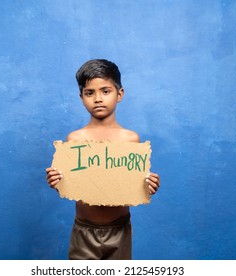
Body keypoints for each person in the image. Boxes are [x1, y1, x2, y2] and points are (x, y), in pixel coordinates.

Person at [45, 59, 160, 260]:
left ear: (120, 94)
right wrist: (57, 182)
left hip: (120, 228)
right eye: (90, 93)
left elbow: (132, 185)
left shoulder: (130, 139)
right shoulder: (75, 140)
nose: (98, 98)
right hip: (84, 230)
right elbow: (70, 185)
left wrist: (149, 184)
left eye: (105, 91)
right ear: (81, 97)